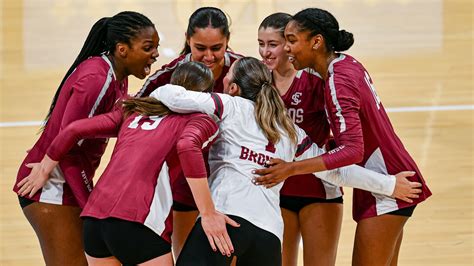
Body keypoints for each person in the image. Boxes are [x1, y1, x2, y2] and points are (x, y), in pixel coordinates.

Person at [150, 57, 422, 266]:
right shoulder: (289, 130)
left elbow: (167, 95)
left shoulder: (228, 105)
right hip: (268, 237)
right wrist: (388, 185)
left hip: (225, 222)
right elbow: (335, 172)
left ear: (233, 87)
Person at [253, 8, 432, 266]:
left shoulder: (339, 80)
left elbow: (352, 151)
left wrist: (291, 168)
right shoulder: (346, 63)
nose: (287, 48)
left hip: (387, 180)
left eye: (291, 41)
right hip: (380, 178)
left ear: (316, 42)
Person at [17, 62, 240, 265]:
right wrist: (209, 213)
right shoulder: (198, 120)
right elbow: (188, 147)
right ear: (206, 95)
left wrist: (45, 166)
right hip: (138, 221)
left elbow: (73, 129)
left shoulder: (132, 110)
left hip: (95, 221)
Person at [13, 11, 159, 265]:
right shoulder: (97, 79)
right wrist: (90, 205)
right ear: (122, 49)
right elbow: (67, 145)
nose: (155, 54)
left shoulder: (117, 76)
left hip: (66, 183)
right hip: (51, 187)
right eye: (148, 48)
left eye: (156, 47)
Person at [136, 6, 242, 258]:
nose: (208, 56)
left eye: (217, 48)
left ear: (228, 40)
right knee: (186, 257)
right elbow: (134, 114)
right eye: (200, 48)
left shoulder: (244, 71)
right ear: (187, 39)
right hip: (184, 180)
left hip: (232, 183)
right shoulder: (168, 75)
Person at [258, 12, 342, 266]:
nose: (265, 52)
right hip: (274, 190)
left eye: (273, 44)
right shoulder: (257, 81)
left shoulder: (316, 79)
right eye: (261, 44)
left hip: (318, 188)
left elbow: (344, 134)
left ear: (290, 43)